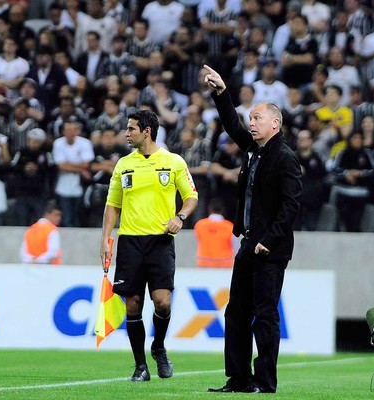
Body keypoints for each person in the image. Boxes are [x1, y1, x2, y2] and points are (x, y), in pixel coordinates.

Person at [203, 64, 302, 394]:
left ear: (274, 123)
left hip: (269, 249)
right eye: (252, 118)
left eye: (257, 118)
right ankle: (238, 378)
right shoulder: (255, 152)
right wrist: (221, 92)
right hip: (248, 243)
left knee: (264, 315)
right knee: (236, 313)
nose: (251, 123)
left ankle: (264, 381)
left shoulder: (284, 158)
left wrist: (268, 241)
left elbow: (291, 206)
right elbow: (232, 125)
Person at [100, 109, 198, 382]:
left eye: (131, 129)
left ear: (147, 131)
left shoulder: (173, 162)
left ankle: (158, 346)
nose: (126, 133)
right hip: (130, 241)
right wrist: (106, 240)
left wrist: (180, 217)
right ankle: (140, 366)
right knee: (132, 304)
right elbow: (113, 205)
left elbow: (191, 196)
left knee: (162, 302)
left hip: (160, 241)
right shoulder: (123, 165)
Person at [194, 200, 237, 268]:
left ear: (209, 210)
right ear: (222, 210)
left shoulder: (199, 225)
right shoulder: (229, 226)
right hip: (225, 264)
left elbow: (197, 241)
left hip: (204, 264)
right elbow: (234, 246)